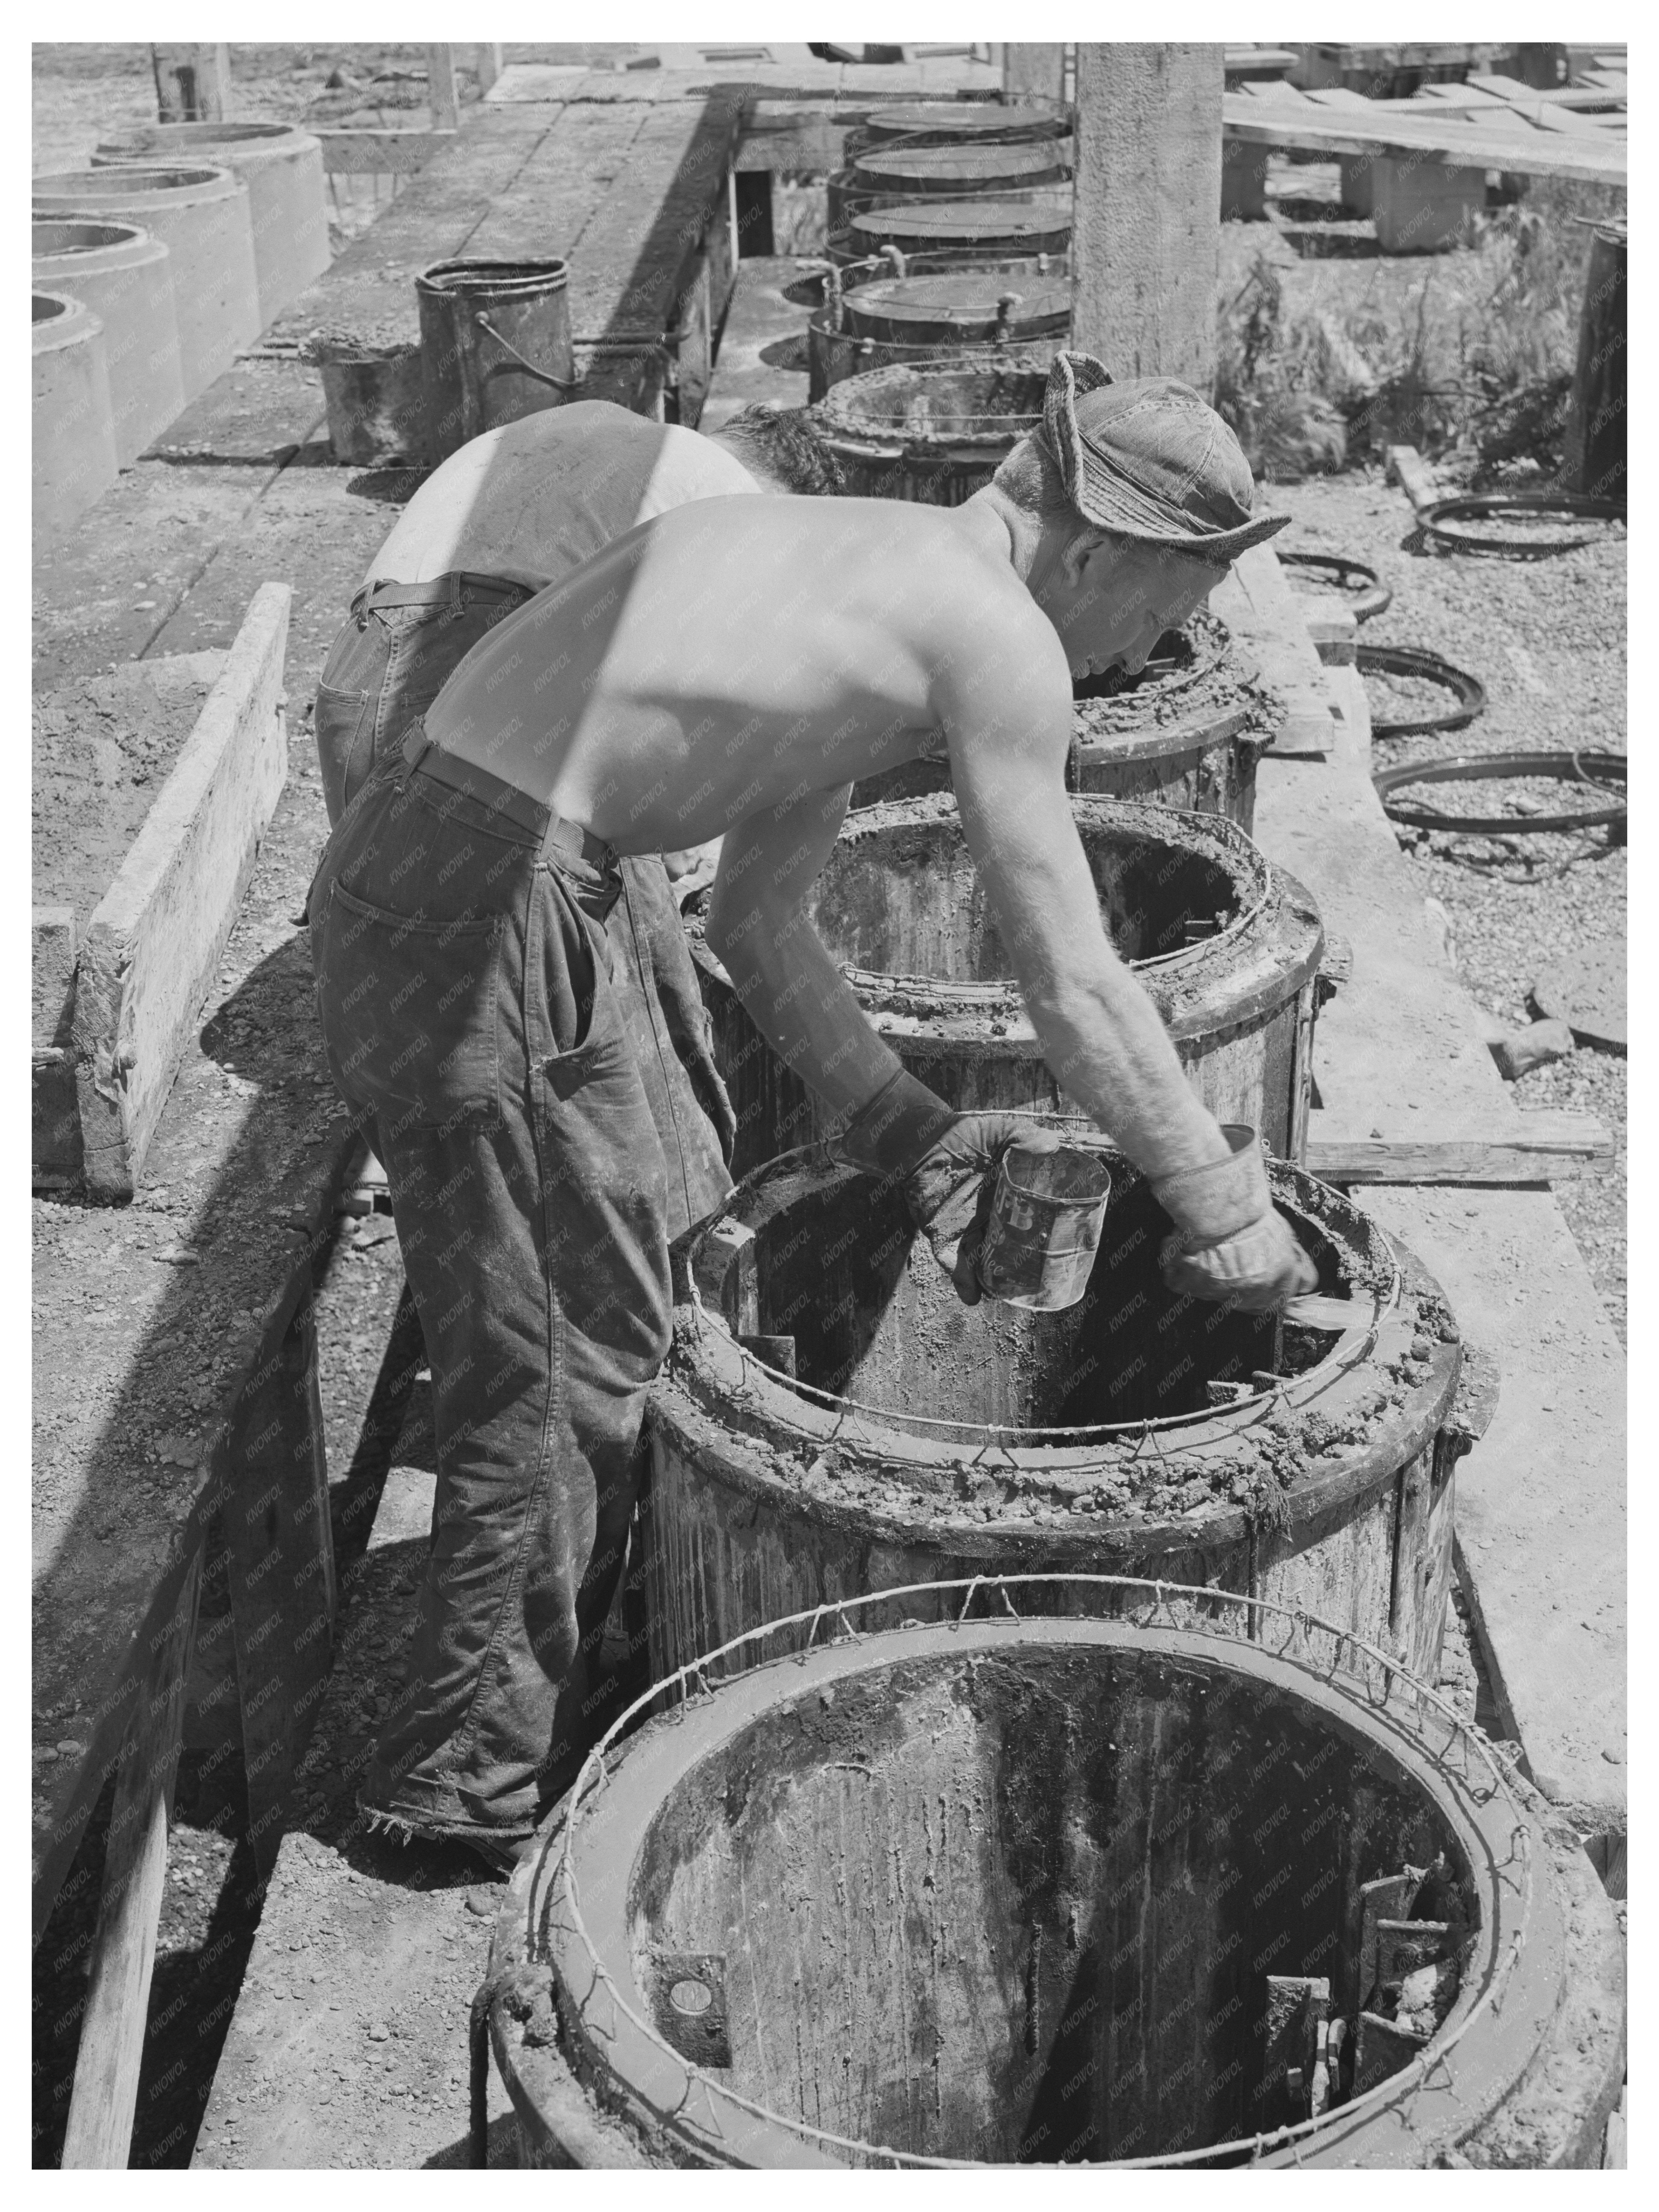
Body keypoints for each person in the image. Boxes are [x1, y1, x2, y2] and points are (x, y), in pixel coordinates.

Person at [308, 351, 1318, 1869]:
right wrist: (1222, 1202)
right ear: (1099, 552)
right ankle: (459, 1790)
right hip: (489, 895)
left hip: (456, 862)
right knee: (564, 1350)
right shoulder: (996, 633)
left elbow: (758, 924)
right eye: (1169, 604)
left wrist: (915, 1134)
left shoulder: (847, 565)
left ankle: (545, 1674)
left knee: (608, 1302)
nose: (1150, 649)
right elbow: (1073, 983)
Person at [312, 399, 843, 1243]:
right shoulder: (734, 496)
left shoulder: (575, 436)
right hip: (489, 667)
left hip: (356, 682)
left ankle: (440, 1207)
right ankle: (683, 1263)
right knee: (640, 1038)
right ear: (784, 491)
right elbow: (713, 723)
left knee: (439, 998)